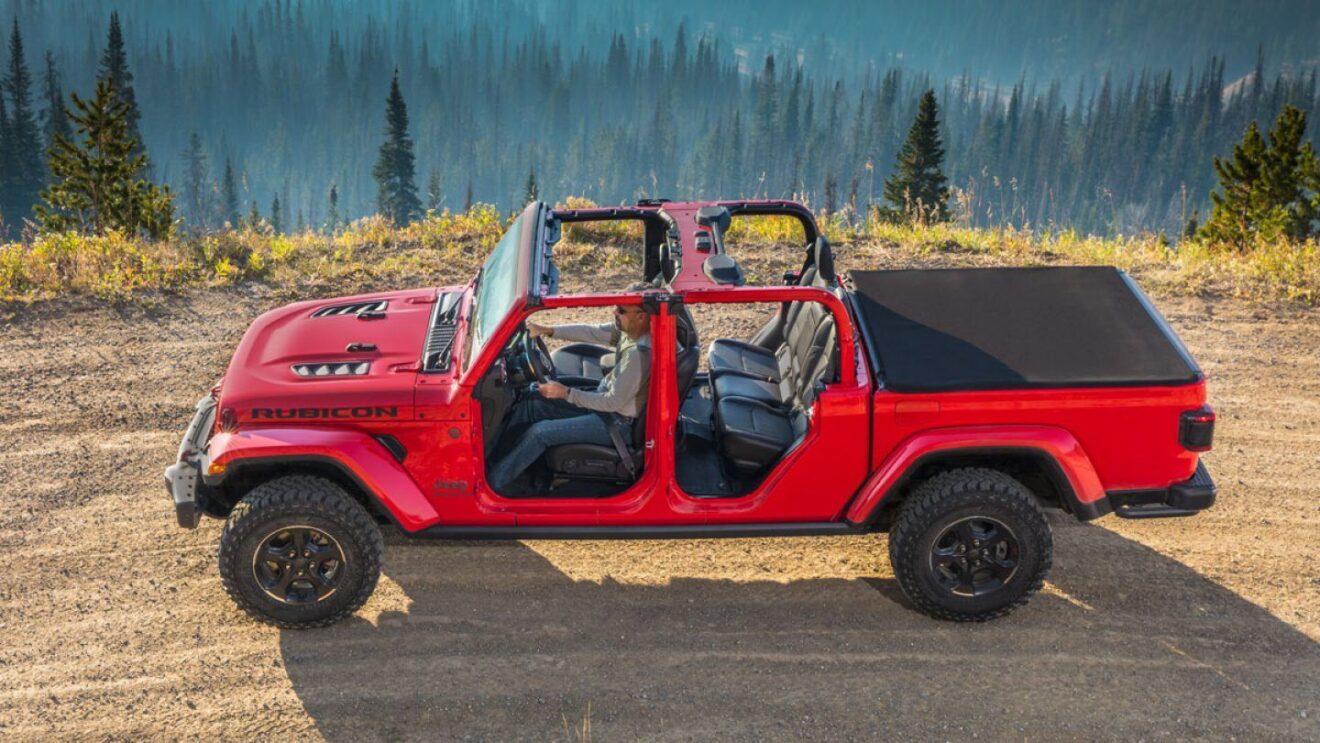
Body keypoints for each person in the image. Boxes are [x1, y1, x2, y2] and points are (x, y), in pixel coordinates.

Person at [486, 283, 653, 492]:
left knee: (540, 433)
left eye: (621, 310)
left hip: (618, 422)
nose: (614, 312)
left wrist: (565, 393)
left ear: (642, 316)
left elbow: (612, 402)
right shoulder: (630, 331)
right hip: (604, 401)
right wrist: (548, 330)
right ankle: (492, 457)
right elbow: (592, 333)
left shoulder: (640, 355)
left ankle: (492, 484)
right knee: (531, 403)